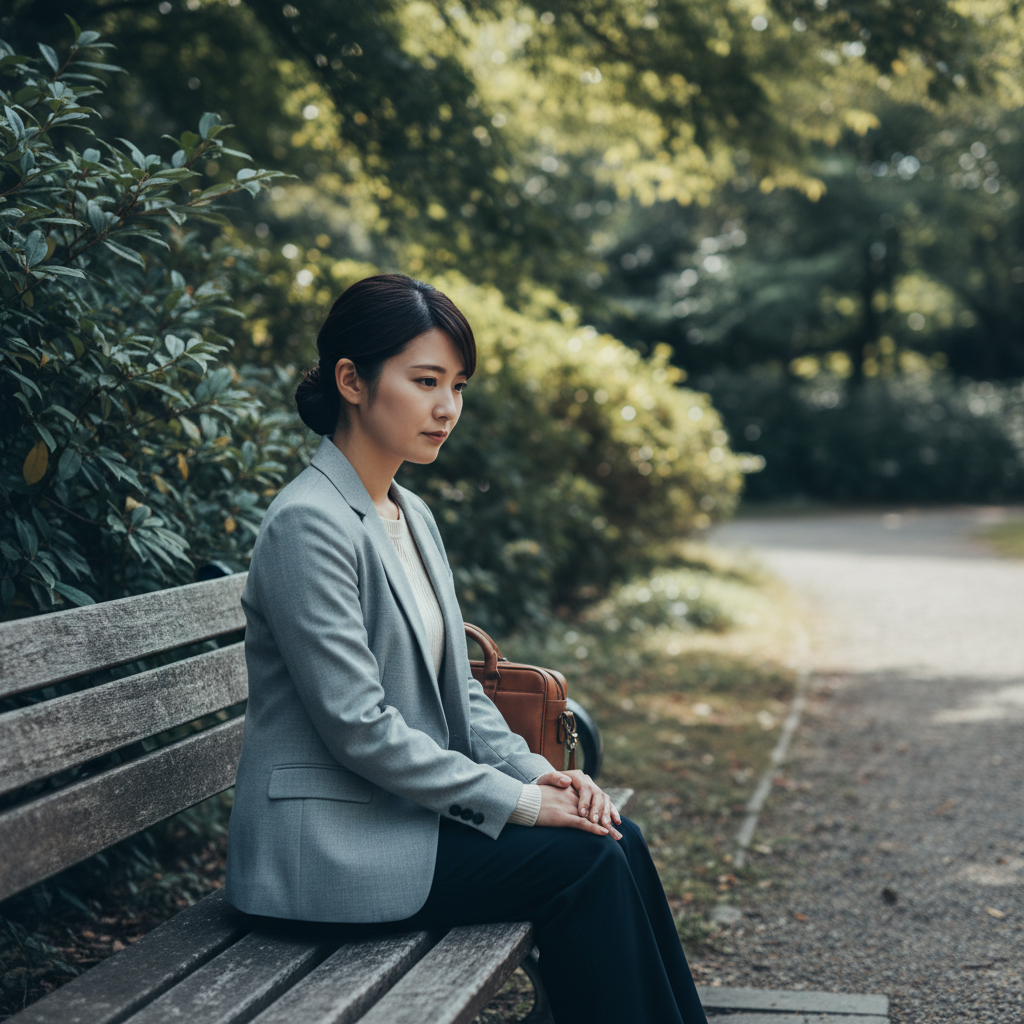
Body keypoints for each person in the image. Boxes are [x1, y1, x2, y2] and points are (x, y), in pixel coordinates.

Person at [224, 273, 708, 1024]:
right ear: (352, 380)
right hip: (332, 848)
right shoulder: (308, 524)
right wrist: (517, 806)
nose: (447, 407)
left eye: (457, 385)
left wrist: (546, 778)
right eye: (425, 381)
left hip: (400, 820)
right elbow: (359, 727)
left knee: (615, 834)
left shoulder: (409, 513)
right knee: (582, 865)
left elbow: (463, 694)